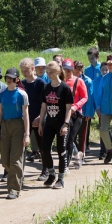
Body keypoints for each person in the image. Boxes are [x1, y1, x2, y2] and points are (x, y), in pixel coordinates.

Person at [0, 67, 30, 199]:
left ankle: (14, 189)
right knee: (5, 161)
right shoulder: (1, 93)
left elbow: (26, 115)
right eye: (7, 78)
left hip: (18, 126)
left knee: (15, 160)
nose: (9, 80)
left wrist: (27, 134)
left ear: (17, 79)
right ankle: (18, 177)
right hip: (5, 126)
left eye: (12, 78)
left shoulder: (22, 94)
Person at [38, 61, 73, 189]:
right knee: (45, 149)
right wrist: (41, 122)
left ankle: (61, 178)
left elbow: (69, 108)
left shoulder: (65, 88)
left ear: (58, 72)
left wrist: (65, 124)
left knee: (61, 151)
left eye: (51, 72)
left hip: (61, 124)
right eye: (47, 72)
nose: (49, 74)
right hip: (49, 123)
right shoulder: (46, 87)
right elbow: (43, 106)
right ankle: (51, 174)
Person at [19, 58, 45, 172]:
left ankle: (46, 170)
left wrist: (40, 117)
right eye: (22, 70)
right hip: (25, 119)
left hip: (39, 118)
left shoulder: (40, 83)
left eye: (26, 70)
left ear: (33, 69)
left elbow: (46, 102)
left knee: (42, 146)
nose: (24, 73)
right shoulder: (22, 84)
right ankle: (20, 172)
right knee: (22, 146)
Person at [62, 59, 88, 168]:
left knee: (70, 139)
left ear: (73, 69)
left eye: (69, 70)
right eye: (64, 70)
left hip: (76, 114)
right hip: (63, 114)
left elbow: (85, 97)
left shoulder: (79, 81)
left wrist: (75, 106)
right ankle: (77, 154)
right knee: (65, 140)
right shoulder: (59, 82)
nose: (67, 72)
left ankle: (66, 166)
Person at [73, 60, 94, 166]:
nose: (78, 71)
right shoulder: (70, 80)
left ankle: (82, 156)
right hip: (72, 112)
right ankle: (76, 154)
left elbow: (89, 98)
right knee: (72, 136)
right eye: (77, 69)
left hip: (84, 112)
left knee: (82, 136)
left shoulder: (88, 81)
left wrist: (89, 113)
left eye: (80, 69)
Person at [93, 62, 112, 160]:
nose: (105, 71)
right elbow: (96, 96)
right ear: (100, 71)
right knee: (103, 129)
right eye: (103, 70)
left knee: (109, 130)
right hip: (101, 109)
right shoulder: (96, 81)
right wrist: (98, 107)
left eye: (106, 69)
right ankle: (103, 151)